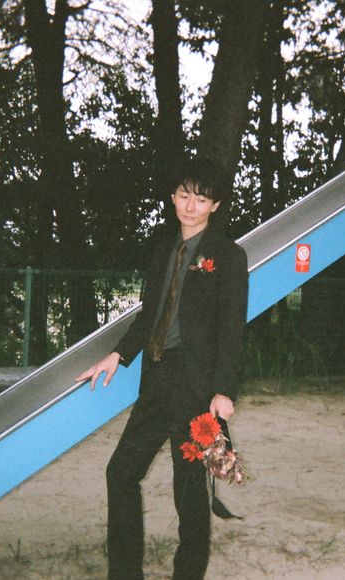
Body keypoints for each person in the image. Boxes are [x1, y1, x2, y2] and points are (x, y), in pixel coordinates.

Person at [76, 158, 249, 580]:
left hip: (196, 388)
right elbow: (147, 315)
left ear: (215, 205)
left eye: (201, 199)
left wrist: (224, 390)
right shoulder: (161, 250)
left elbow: (231, 327)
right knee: (120, 473)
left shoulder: (228, 255)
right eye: (184, 195)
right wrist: (117, 355)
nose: (190, 206)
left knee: (188, 490)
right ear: (173, 196)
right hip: (156, 379)